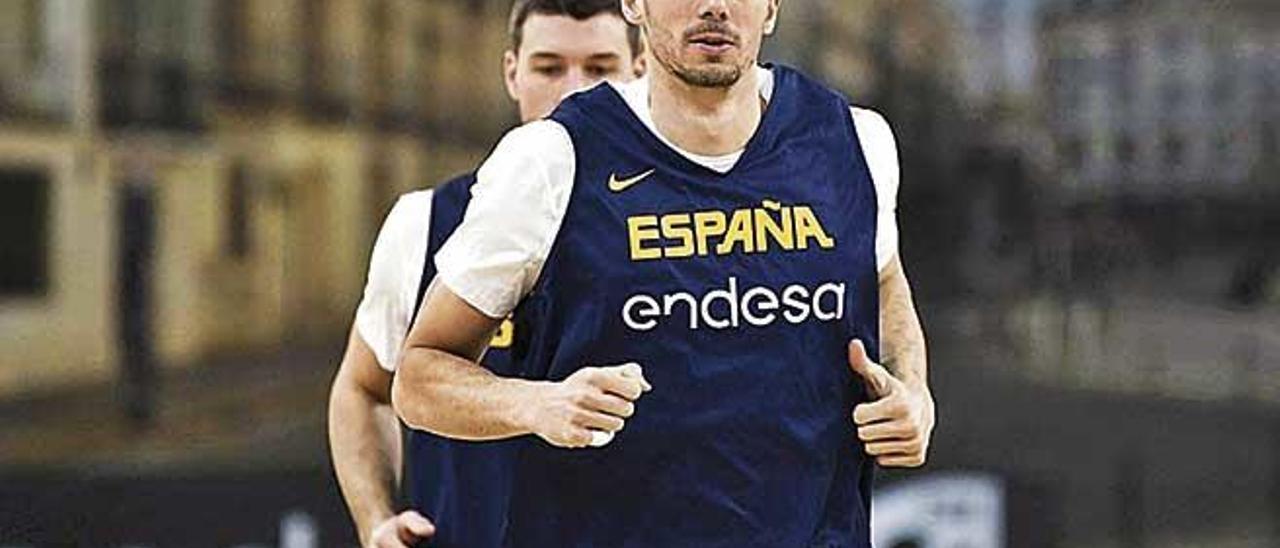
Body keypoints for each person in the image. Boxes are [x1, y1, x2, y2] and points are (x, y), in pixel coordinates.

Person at [394, 0, 935, 546]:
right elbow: (418, 377)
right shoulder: (551, 159)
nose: (714, 7)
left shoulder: (855, 141)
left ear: (771, 7)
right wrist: (535, 404)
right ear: (633, 4)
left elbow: (884, 280)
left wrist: (912, 391)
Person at [327, 2, 644, 547]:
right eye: (549, 67)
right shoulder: (423, 222)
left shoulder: (688, 223)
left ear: (638, 73)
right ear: (511, 72)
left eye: (599, 68)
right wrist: (376, 521)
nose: (573, 91)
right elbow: (360, 388)